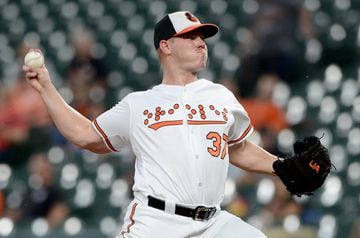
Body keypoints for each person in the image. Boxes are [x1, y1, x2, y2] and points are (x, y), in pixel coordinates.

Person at [23, 11, 281, 238]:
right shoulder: (139, 104)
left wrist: (281, 167)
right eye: (191, 37)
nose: (201, 44)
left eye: (202, 38)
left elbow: (238, 148)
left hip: (213, 223)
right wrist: (46, 87)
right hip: (158, 222)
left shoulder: (221, 96)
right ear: (166, 46)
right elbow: (85, 135)